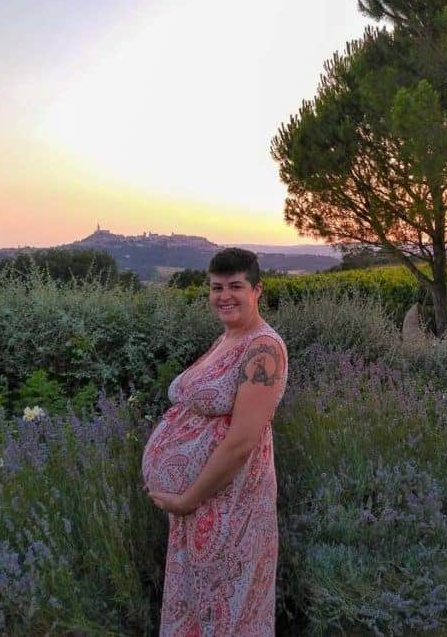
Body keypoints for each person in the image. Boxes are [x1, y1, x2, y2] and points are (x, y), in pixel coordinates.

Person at [141, 248, 288, 636]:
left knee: (230, 615)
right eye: (216, 287)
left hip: (231, 508)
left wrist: (188, 499)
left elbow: (242, 442)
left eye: (235, 286)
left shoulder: (264, 349)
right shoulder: (226, 339)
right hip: (203, 509)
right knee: (199, 612)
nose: (225, 295)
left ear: (257, 290)